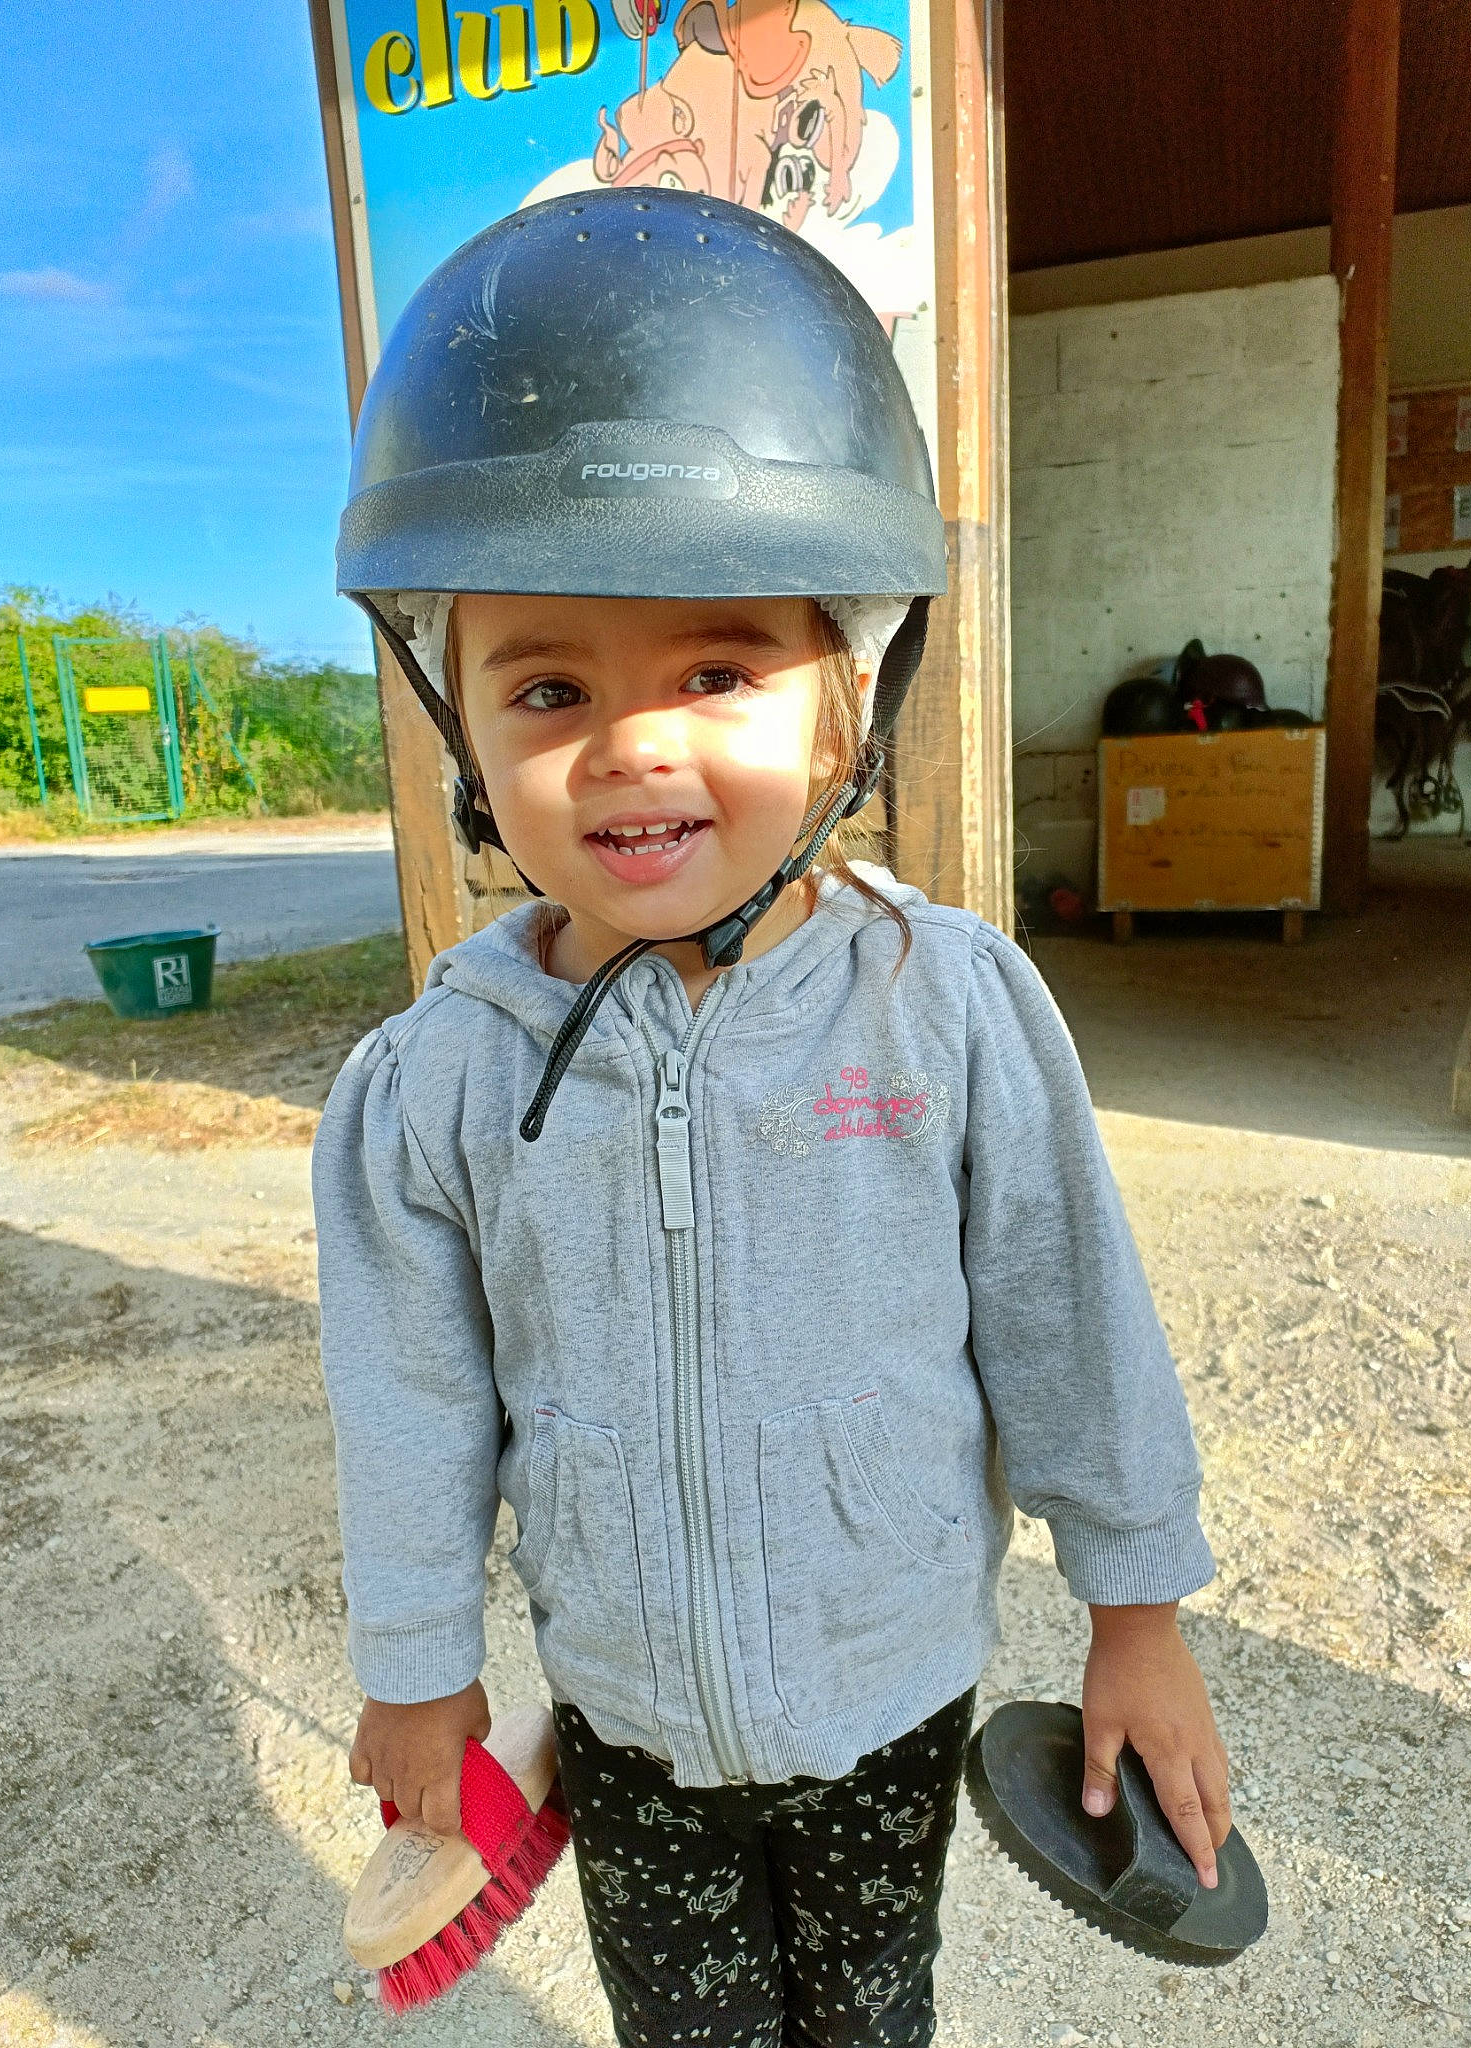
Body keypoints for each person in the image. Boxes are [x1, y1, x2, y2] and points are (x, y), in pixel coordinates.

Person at [313, 187, 1230, 2048]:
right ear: (459, 727)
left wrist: (1136, 1612)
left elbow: (1069, 1321)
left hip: (891, 1692)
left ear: (845, 709)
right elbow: (409, 1399)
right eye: (548, 686)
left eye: (719, 672)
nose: (632, 745)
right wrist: (416, 1667)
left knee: (873, 2013)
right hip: (627, 1714)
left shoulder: (946, 1008)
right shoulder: (434, 1083)